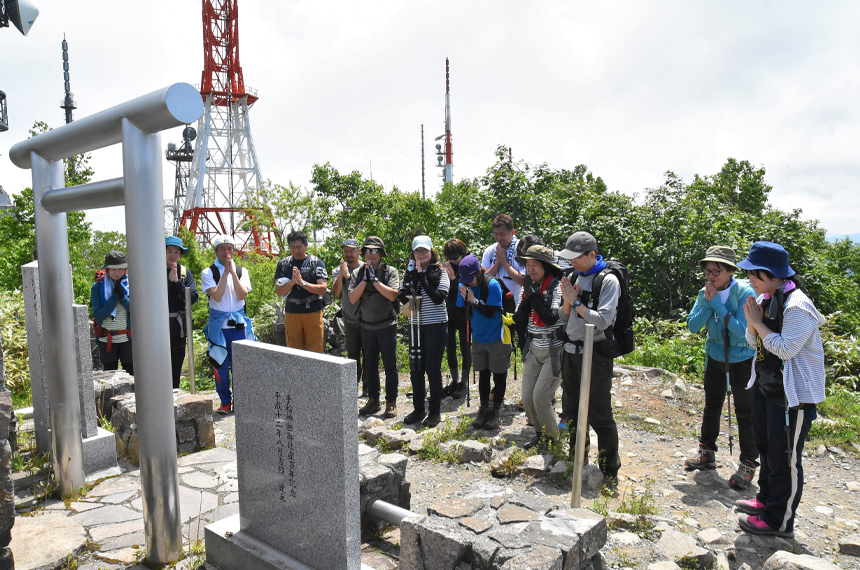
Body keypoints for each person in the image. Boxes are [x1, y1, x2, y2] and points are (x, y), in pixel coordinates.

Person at [736, 241, 825, 538]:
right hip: (766, 388)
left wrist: (758, 324)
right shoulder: (768, 298)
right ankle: (765, 501)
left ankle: (779, 521)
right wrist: (753, 325)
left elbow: (786, 350)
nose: (751, 281)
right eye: (750, 275)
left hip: (793, 398)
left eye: (756, 276)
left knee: (785, 458)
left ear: (776, 276)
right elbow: (755, 343)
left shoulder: (798, 306)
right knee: (767, 449)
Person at [685, 246, 758, 489]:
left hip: (742, 359)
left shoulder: (745, 293)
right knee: (712, 405)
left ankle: (748, 463)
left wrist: (716, 305)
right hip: (715, 355)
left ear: (730, 271)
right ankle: (706, 451)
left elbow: (742, 330)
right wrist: (709, 303)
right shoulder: (704, 292)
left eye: (717, 271)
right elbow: (693, 326)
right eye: (708, 271)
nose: (711, 276)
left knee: (745, 412)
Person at [557, 231, 621, 486]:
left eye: (576, 257)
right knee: (571, 410)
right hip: (570, 353)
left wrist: (577, 303)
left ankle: (609, 471)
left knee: (598, 413)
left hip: (595, 355)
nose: (571, 262)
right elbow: (562, 319)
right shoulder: (573, 276)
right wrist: (566, 303)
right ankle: (577, 461)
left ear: (592, 255)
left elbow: (603, 321)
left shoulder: (607, 281)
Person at [513, 245, 564, 450]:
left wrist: (533, 297)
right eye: (528, 264)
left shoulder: (557, 287)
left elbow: (551, 318)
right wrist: (529, 297)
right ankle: (539, 433)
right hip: (534, 346)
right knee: (527, 398)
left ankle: (552, 439)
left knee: (541, 397)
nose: (531, 268)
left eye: (535, 264)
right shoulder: (528, 287)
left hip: (554, 348)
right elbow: (518, 318)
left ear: (546, 266)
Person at [400, 236, 450, 427]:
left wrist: (423, 279)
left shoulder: (441, 272)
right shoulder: (410, 272)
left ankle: (435, 411)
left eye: (424, 251)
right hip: (416, 325)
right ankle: (419, 408)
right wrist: (410, 285)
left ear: (431, 251)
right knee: (416, 369)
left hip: (435, 325)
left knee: (432, 369)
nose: (420, 254)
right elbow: (401, 294)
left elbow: (438, 298)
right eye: (417, 251)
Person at [201, 234, 255, 414]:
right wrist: (225, 274)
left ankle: (241, 400)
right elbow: (216, 295)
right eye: (222, 248)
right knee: (220, 365)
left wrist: (233, 273)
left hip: (239, 325)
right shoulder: (208, 272)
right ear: (216, 251)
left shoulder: (242, 271)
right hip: (219, 326)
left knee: (242, 364)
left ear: (234, 250)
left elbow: (242, 295)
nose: (226, 252)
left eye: (229, 248)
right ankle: (225, 401)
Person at [457, 254, 510, 431]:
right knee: (483, 376)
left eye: (469, 278)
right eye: (464, 279)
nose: (467, 282)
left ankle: (495, 411)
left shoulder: (492, 285)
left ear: (478, 272)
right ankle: (484, 409)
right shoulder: (464, 285)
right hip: (478, 338)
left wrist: (474, 301)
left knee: (499, 375)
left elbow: (491, 312)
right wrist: (465, 299)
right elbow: (461, 310)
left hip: (497, 338)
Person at [349, 237, 400, 417]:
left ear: (381, 253)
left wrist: (375, 280)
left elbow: (393, 296)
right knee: (369, 365)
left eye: (375, 251)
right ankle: (373, 399)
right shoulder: (357, 274)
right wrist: (364, 279)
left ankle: (391, 401)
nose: (371, 255)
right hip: (367, 327)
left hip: (387, 325)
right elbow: (352, 298)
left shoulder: (390, 272)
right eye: (367, 251)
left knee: (389, 365)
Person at [274, 230, 328, 353]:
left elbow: (322, 289)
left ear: (306, 245)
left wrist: (302, 283)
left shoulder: (316, 263)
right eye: (292, 247)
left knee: (316, 351)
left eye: (299, 247)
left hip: (313, 311)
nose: (296, 250)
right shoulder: (284, 264)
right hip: (292, 312)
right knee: (294, 353)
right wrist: (293, 282)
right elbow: (279, 291)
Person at [91, 251, 133, 375]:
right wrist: (115, 297)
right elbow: (99, 315)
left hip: (128, 338)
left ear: (125, 269)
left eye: (120, 269)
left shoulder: (133, 284)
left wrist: (123, 297)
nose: (117, 272)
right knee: (109, 376)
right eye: (113, 269)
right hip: (106, 338)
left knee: (132, 375)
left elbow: (137, 312)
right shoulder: (97, 287)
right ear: (107, 269)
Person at [166, 236, 199, 389]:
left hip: (178, 329)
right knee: (158, 366)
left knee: (176, 366)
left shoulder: (185, 273)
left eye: (177, 252)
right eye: (169, 251)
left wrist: (177, 282)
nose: (173, 256)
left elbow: (192, 298)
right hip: (157, 329)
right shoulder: (153, 272)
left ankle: (174, 400)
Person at [332, 238, 364, 394]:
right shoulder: (338, 270)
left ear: (358, 251)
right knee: (353, 355)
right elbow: (336, 292)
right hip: (349, 319)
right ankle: (353, 388)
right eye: (346, 251)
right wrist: (340, 276)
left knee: (370, 354)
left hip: (368, 319)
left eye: (352, 250)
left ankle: (370, 389)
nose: (348, 254)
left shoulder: (365, 267)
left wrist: (349, 277)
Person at [441, 238, 470, 399]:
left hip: (464, 313)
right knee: (450, 347)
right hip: (449, 313)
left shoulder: (469, 265)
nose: (454, 260)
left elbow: (468, 289)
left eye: (456, 256)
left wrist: (454, 279)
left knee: (465, 348)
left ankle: (464, 383)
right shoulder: (446, 266)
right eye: (450, 256)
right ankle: (455, 380)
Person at [481, 214, 524, 309]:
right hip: (495, 307)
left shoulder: (521, 249)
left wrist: (505, 263)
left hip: (518, 307)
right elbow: (482, 281)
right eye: (496, 234)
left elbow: (524, 282)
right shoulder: (490, 251)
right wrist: (497, 264)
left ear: (512, 232)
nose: (499, 238)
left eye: (502, 234)